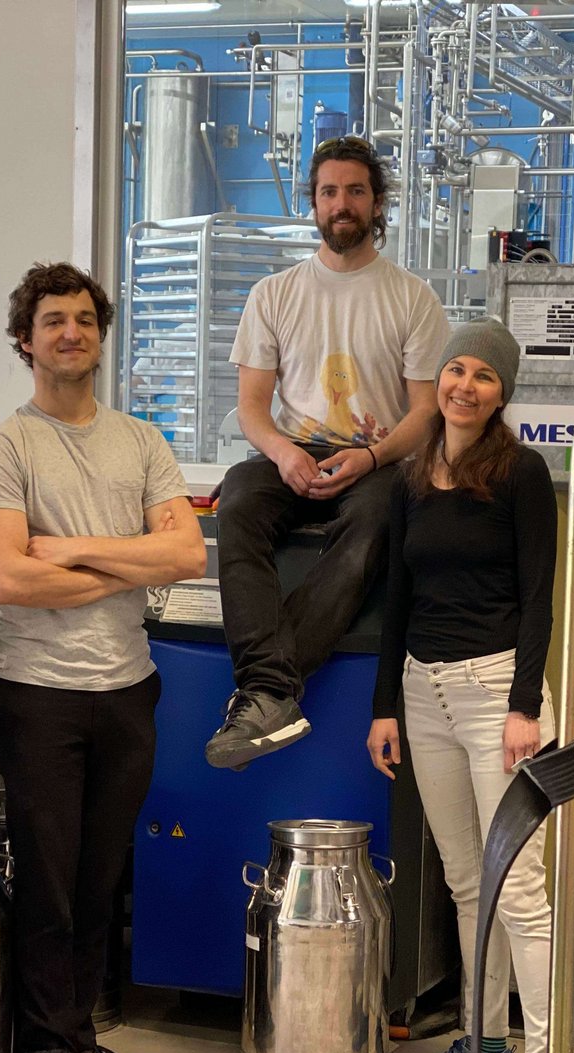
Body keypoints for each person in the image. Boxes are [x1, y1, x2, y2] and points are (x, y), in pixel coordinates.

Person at [0, 262, 204, 1053]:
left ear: (101, 337)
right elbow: (7, 579)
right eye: (53, 321)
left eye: (85, 320)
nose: (71, 333)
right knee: (49, 881)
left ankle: (81, 1042)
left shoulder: (141, 441)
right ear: (25, 341)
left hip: (127, 688)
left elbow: (187, 556)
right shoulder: (7, 447)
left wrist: (68, 549)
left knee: (101, 880)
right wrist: (127, 563)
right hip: (37, 693)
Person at [365, 318, 557, 1053]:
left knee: (519, 890)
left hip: (495, 694)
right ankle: (486, 1046)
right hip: (424, 693)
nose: (465, 386)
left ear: (502, 393)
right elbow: (396, 601)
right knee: (465, 882)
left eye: (483, 375)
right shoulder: (411, 478)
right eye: (456, 370)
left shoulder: (521, 473)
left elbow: (540, 596)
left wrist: (524, 708)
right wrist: (384, 706)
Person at [205, 135, 451, 770]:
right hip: (292, 451)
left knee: (376, 519)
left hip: (379, 459)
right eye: (330, 192)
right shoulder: (274, 294)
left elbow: (426, 413)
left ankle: (266, 692)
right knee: (238, 502)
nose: (342, 204)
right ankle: (272, 690)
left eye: (356, 191)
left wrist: (372, 458)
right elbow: (253, 408)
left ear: (377, 203)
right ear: (313, 203)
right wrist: (283, 454)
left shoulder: (412, 298)